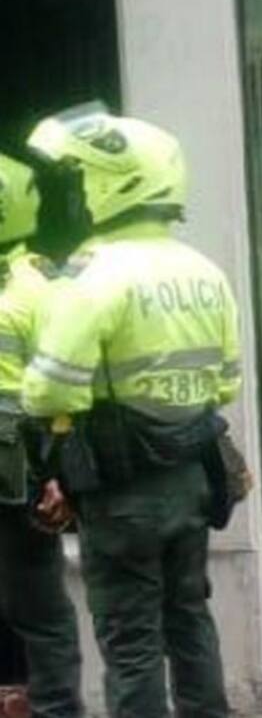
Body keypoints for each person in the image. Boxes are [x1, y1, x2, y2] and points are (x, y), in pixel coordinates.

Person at [19, 107, 241, 718]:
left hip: (122, 492)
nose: (79, 194)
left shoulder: (96, 277)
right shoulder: (206, 272)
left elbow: (48, 392)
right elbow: (226, 383)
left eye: (81, 180)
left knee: (132, 640)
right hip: (191, 478)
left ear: (110, 184)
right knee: (190, 618)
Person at [0, 153, 82, 718]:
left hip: (20, 466)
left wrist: (62, 474)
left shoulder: (36, 288)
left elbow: (65, 394)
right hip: (22, 464)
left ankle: (54, 709)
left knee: (36, 602)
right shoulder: (41, 287)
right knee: (37, 602)